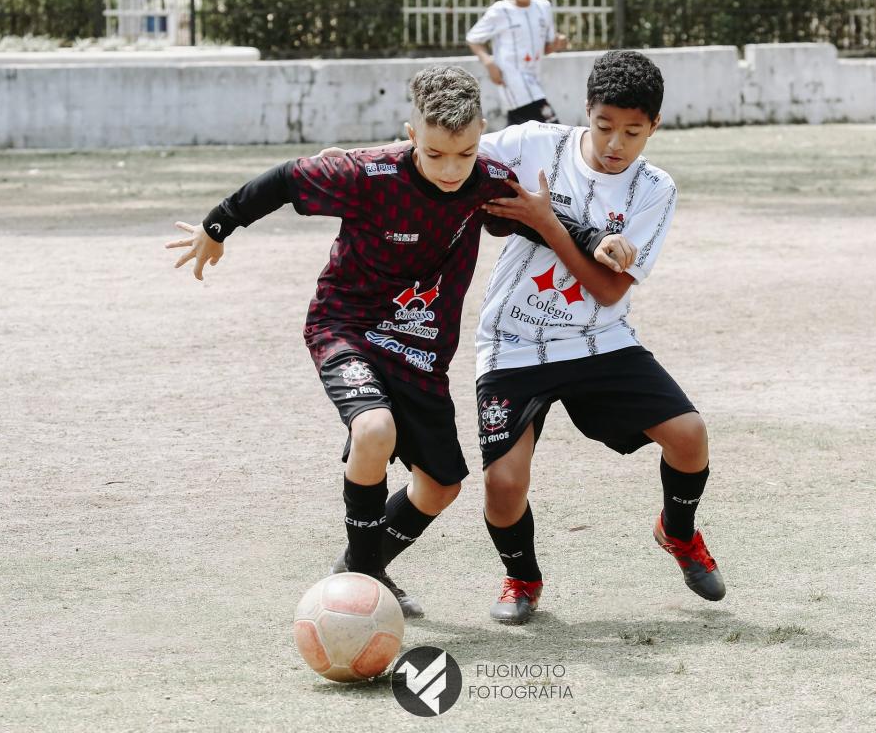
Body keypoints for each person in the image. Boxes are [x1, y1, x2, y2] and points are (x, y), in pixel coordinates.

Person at [166, 66, 626, 618]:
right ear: (412, 135)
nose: (451, 169)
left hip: (421, 353)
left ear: (480, 133)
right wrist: (217, 226)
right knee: (374, 429)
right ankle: (364, 583)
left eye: (465, 153)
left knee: (440, 487)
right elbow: (286, 179)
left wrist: (596, 240)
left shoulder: (485, 180)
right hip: (346, 327)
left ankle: (354, 568)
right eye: (435, 154)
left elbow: (538, 217)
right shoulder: (367, 173)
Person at [473, 50, 726, 624]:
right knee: (503, 484)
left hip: (598, 338)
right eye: (605, 125)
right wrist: (360, 160)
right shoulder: (533, 144)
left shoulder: (654, 189)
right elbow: (452, 154)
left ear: (654, 126)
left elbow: (609, 291)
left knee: (689, 437)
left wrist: (545, 222)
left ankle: (677, 531)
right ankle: (522, 577)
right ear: (586, 110)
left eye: (633, 132)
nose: (616, 143)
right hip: (514, 341)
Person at [466, 0, 570, 128]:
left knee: (521, 130)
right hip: (512, 79)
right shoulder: (500, 11)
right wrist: (489, 62)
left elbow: (546, 47)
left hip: (535, 78)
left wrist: (558, 44)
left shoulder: (543, 7)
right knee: (551, 126)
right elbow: (473, 38)